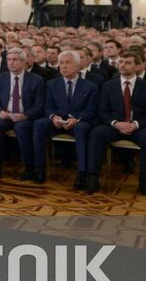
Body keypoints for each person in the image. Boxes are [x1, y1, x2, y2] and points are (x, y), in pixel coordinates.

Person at [85, 49, 146, 196]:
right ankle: (92, 178)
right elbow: (102, 111)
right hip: (115, 126)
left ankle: (145, 182)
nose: (123, 65)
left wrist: (135, 125)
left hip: (139, 127)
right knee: (97, 133)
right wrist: (115, 123)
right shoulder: (108, 86)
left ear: (137, 66)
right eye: (121, 62)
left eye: (128, 63)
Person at [33, 49, 98, 189]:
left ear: (78, 65)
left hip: (78, 123)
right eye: (61, 63)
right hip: (57, 121)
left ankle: (82, 173)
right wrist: (53, 117)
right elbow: (47, 106)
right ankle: (39, 169)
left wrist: (77, 120)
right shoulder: (52, 84)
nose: (63, 66)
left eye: (68, 63)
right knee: (38, 124)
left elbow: (91, 110)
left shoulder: (90, 86)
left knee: (82, 128)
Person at [0, 48, 44, 181]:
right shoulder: (0, 78)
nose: (11, 63)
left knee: (21, 127)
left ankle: (28, 166)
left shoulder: (36, 80)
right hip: (6, 115)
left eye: (15, 60)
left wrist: (25, 115)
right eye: (8, 60)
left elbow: (39, 105)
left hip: (25, 116)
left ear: (23, 62)